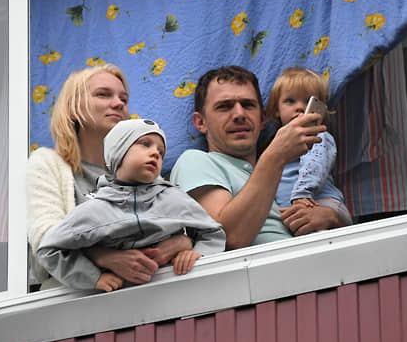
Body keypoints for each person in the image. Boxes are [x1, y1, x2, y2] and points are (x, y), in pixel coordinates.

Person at [26, 65, 192, 289]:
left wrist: (182, 242)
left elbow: (178, 226)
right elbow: (45, 237)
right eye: (103, 94)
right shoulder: (48, 163)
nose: (119, 103)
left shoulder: (140, 170)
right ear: (72, 108)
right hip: (74, 301)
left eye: (124, 99)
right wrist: (103, 257)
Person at [170, 65, 347, 250]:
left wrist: (332, 218)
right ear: (200, 122)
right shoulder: (195, 161)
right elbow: (227, 239)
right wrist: (276, 155)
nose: (239, 114)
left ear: (263, 119)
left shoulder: (285, 172)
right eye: (224, 107)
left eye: (248, 105)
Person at [37, 119, 225, 291]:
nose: (155, 153)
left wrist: (196, 252)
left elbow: (213, 233)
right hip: (120, 304)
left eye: (161, 152)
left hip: (175, 292)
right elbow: (49, 249)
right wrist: (94, 277)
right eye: (145, 144)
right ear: (118, 153)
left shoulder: (175, 198)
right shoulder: (94, 209)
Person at [267, 67, 353, 226]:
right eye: (290, 101)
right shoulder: (273, 144)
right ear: (276, 110)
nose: (299, 107)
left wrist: (302, 193)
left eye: (308, 101)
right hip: (292, 210)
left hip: (321, 203)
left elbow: (315, 165)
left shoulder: (317, 136)